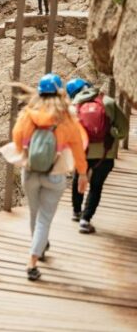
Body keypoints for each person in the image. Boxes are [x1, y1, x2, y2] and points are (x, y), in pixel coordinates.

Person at [12, 73, 88, 281]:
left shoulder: (30, 113)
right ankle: (32, 261)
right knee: (44, 219)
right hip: (55, 174)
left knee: (35, 215)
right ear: (59, 92)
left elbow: (17, 138)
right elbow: (78, 148)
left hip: (30, 171)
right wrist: (82, 173)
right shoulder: (66, 117)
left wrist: (31, 153)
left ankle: (39, 247)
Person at [67, 78, 129, 234]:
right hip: (105, 153)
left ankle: (76, 211)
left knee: (78, 178)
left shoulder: (73, 107)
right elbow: (123, 129)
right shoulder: (107, 102)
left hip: (82, 151)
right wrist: (112, 133)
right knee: (96, 185)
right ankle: (85, 220)